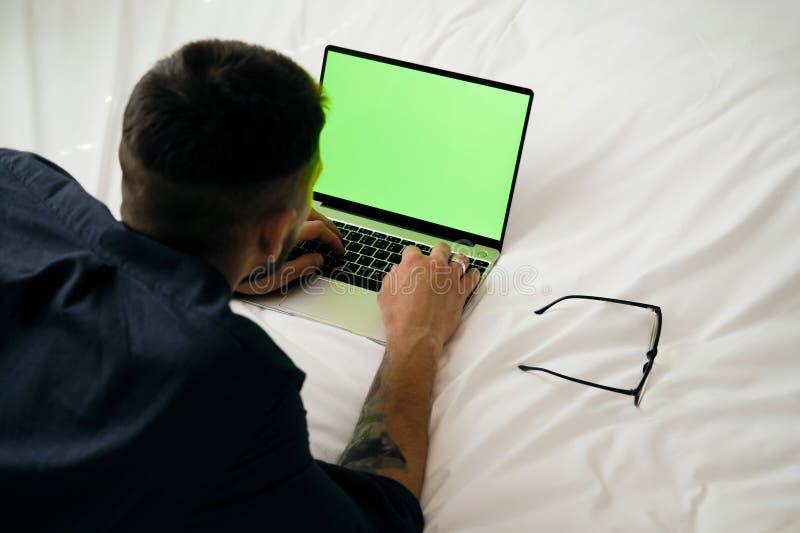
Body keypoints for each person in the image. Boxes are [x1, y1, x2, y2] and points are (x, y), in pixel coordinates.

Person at [0, 39, 479, 531]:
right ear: (275, 230)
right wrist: (414, 339)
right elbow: (379, 521)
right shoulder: (228, 376)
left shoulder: (16, 178)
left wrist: (210, 274)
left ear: (125, 158)